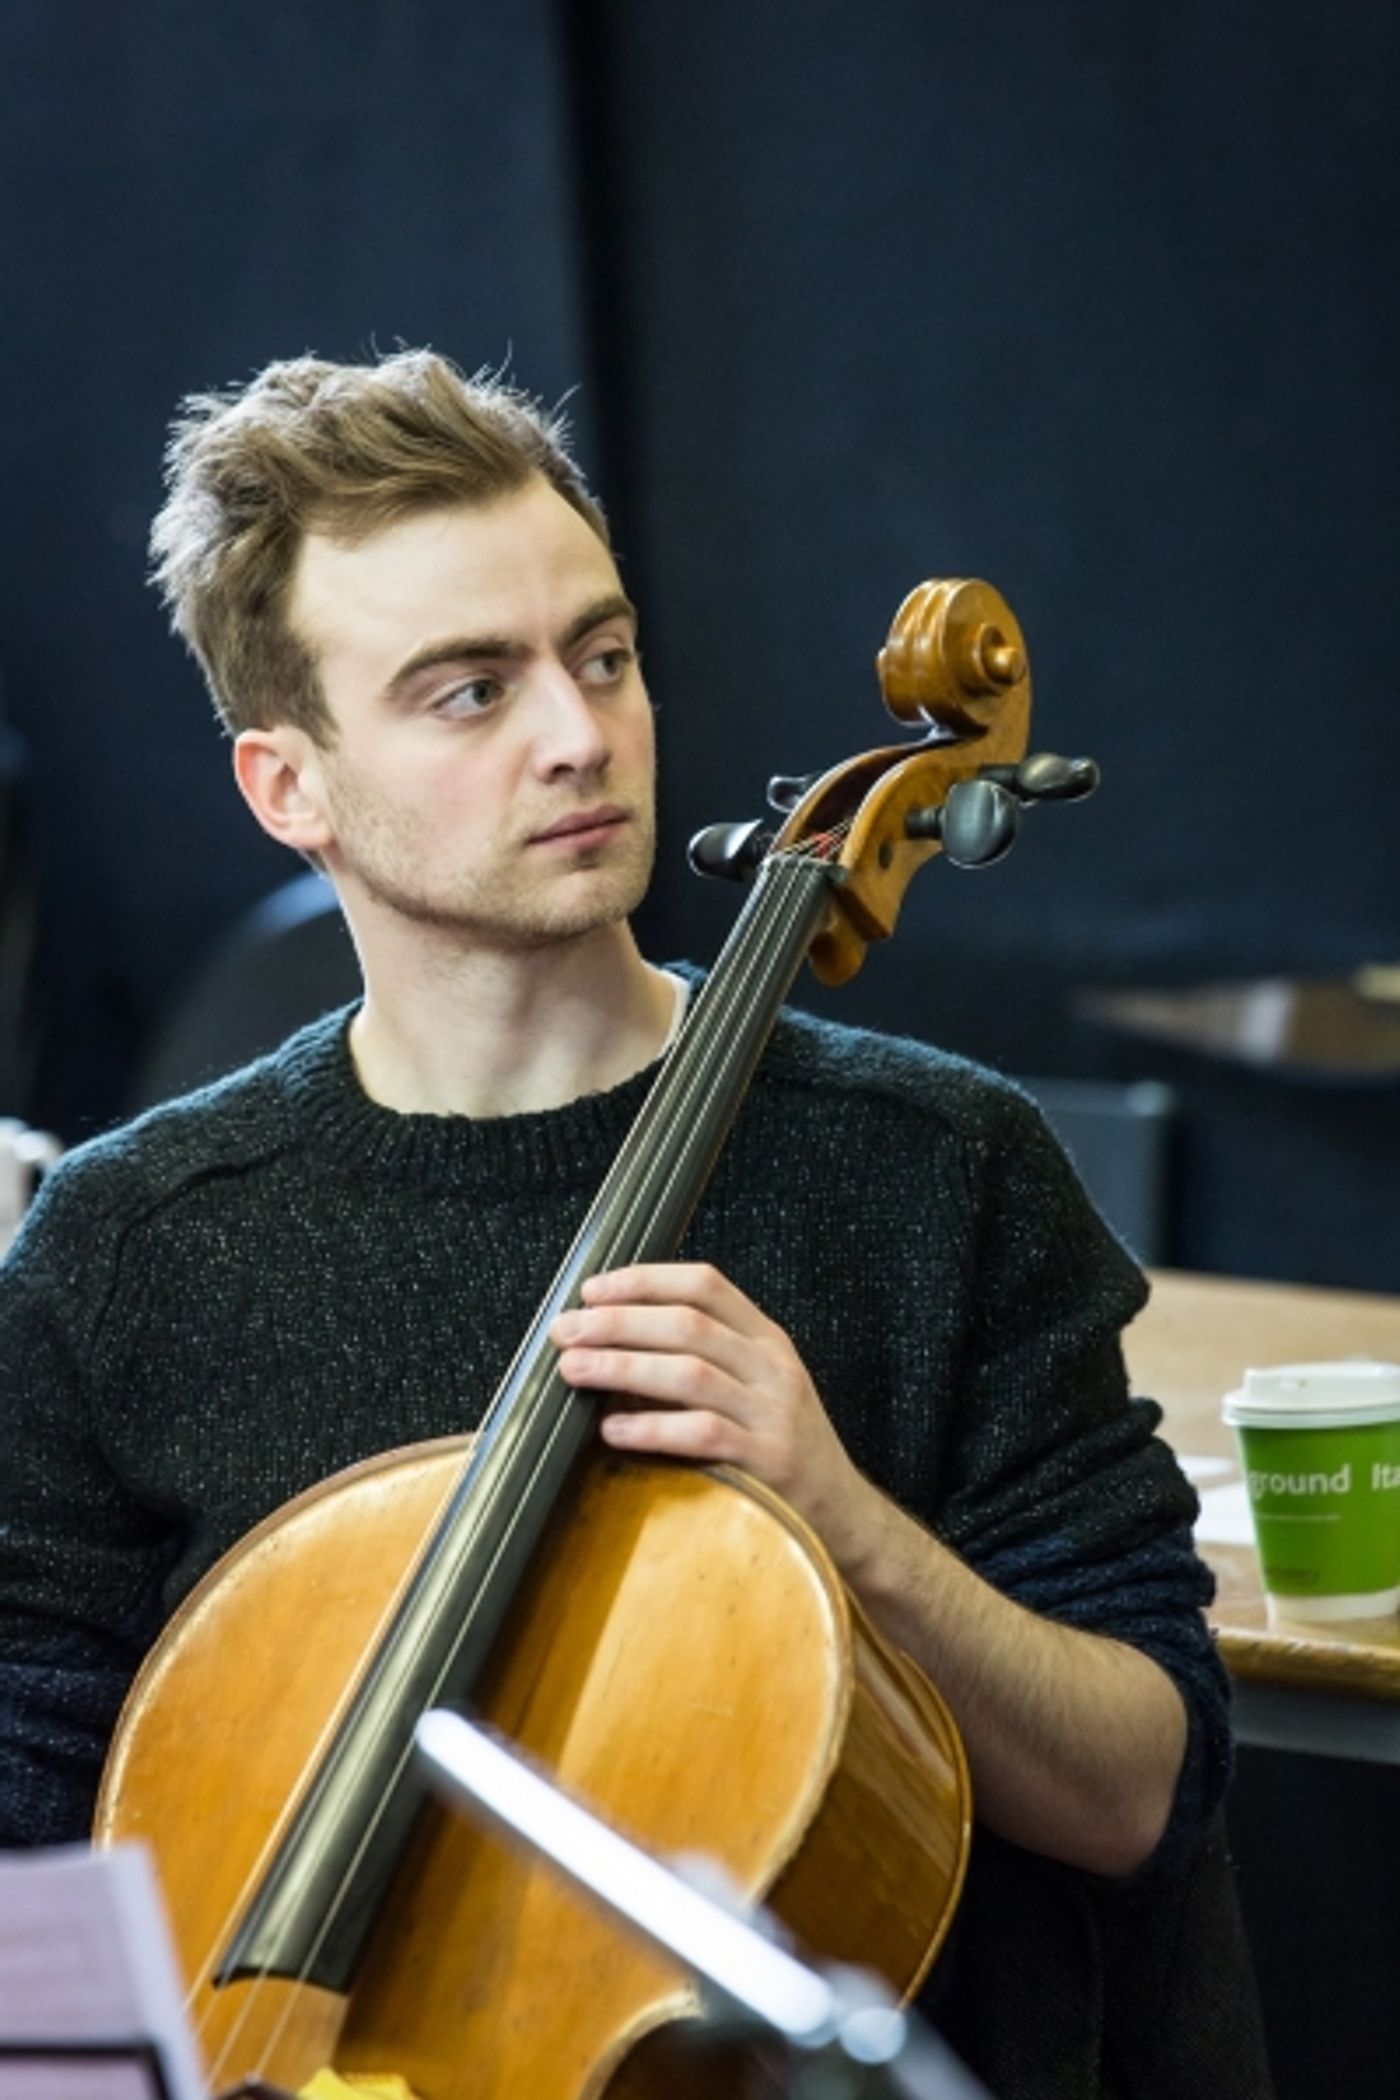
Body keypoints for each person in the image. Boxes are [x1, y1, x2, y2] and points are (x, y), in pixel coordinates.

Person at [0, 350, 1271, 2096]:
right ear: (288, 787)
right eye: (471, 691)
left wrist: (848, 1525)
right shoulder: (129, 1243)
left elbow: (1143, 1795)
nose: (580, 733)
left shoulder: (937, 1165)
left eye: (600, 655)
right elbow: (29, 1844)